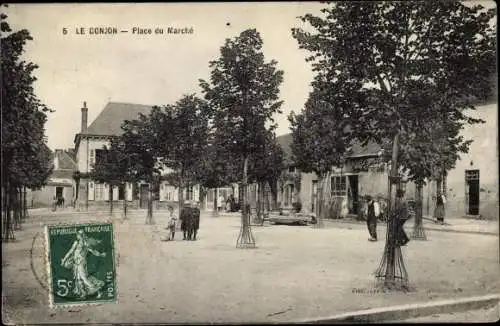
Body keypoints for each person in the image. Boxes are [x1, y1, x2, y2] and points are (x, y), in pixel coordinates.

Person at [61, 230, 106, 298]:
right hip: (76, 263)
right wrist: (64, 259)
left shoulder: (86, 243)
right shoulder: (76, 242)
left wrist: (100, 254)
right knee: (78, 279)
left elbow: (93, 251)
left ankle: (99, 291)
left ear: (82, 235)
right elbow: (70, 251)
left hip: (81, 263)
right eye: (77, 235)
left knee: (84, 278)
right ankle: (83, 293)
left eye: (79, 235)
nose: (77, 236)